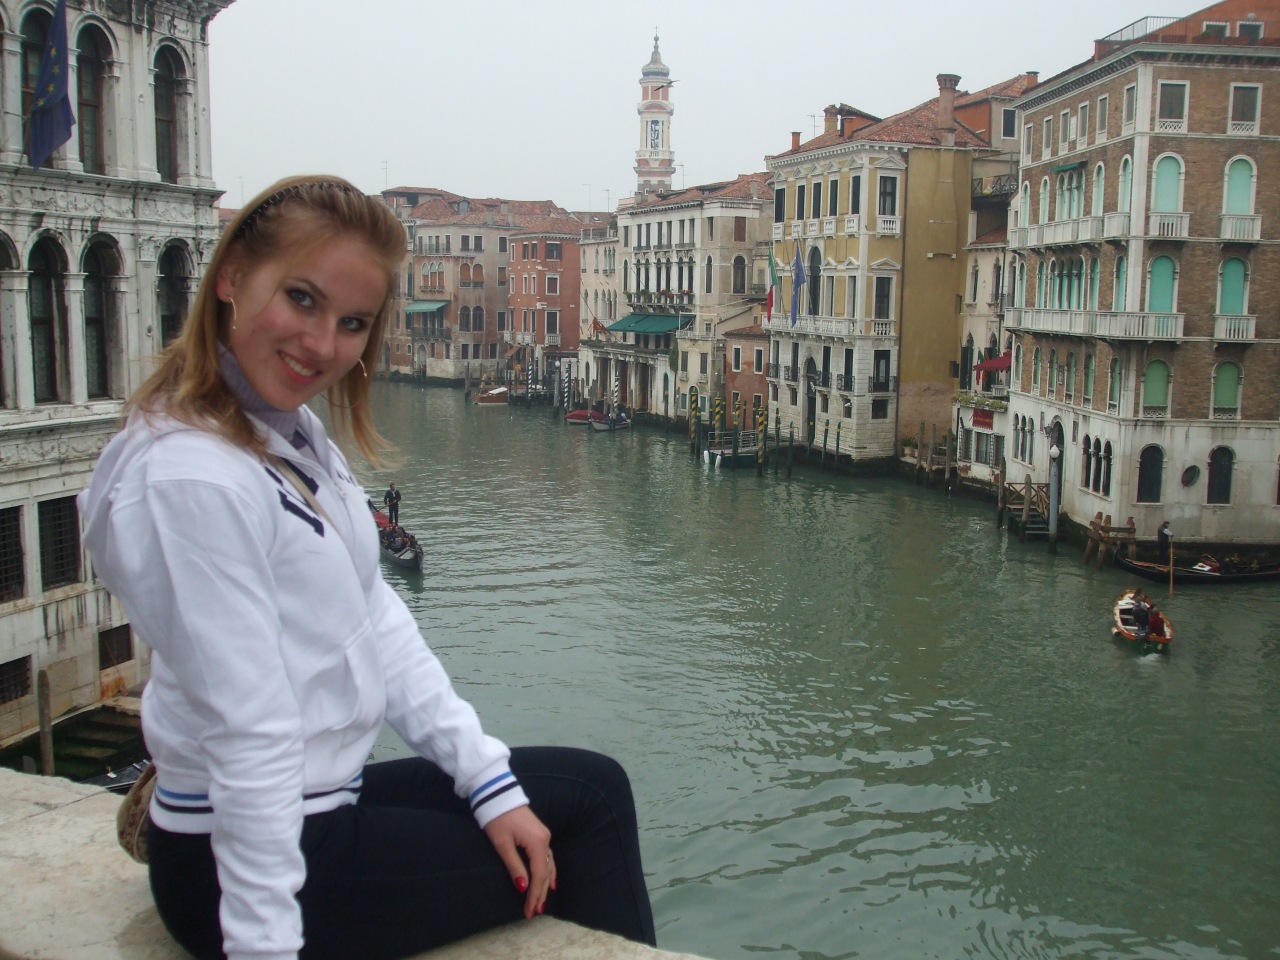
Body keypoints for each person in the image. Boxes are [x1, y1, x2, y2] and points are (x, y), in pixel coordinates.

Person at [78, 176, 655, 960]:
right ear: (232, 277)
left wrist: (488, 786)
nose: (323, 345)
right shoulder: (195, 478)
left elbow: (373, 614)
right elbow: (250, 732)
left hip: (320, 808)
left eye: (352, 322)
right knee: (583, 835)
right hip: (242, 860)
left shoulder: (286, 435)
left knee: (590, 789)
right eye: (302, 299)